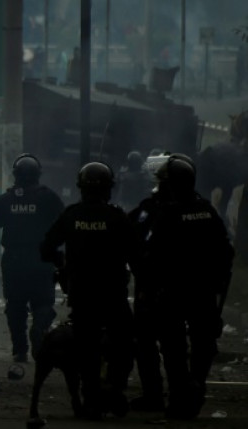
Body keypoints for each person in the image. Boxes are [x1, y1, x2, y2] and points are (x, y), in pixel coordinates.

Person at [136, 156, 233, 419]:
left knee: (173, 347)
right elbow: (226, 252)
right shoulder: (207, 211)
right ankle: (196, 388)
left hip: (174, 293)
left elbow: (152, 255)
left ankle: (181, 397)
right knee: (203, 344)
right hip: (203, 292)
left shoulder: (167, 214)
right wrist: (219, 282)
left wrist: (149, 286)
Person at [40, 162, 134, 419]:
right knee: (124, 342)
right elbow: (136, 253)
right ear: (108, 189)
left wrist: (62, 265)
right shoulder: (117, 217)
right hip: (113, 294)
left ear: (80, 188)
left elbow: (46, 248)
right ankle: (114, 385)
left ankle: (91, 395)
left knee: (86, 347)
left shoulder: (71, 215)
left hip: (81, 295)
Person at [0, 154, 64, 363]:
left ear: (15, 175)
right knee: (43, 302)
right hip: (42, 257)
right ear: (38, 175)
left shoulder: (4, 200)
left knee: (15, 305)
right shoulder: (48, 198)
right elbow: (64, 228)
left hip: (13, 260)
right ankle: (39, 328)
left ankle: (19, 350)